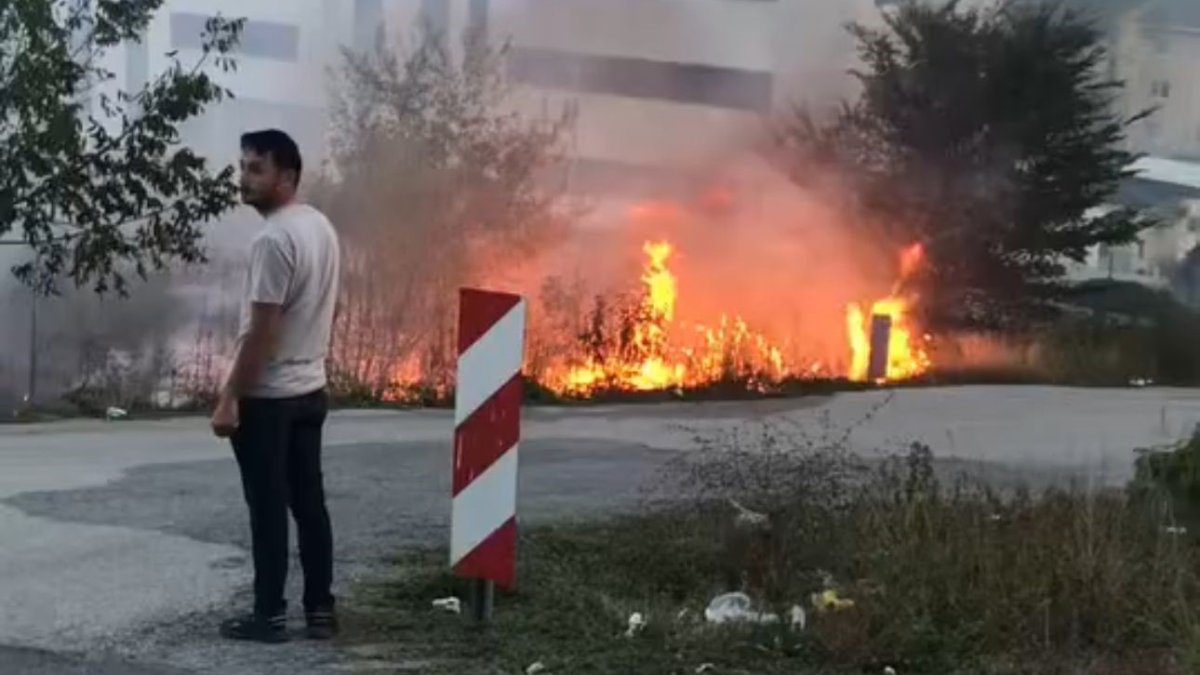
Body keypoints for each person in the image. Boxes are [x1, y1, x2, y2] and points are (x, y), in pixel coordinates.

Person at [211, 129, 341, 643]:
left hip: (270, 400)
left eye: (256, 169)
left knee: (267, 509)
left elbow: (261, 330)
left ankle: (268, 616)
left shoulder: (272, 240)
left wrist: (229, 397)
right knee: (310, 504)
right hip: (311, 390)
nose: (244, 178)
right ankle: (321, 611)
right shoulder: (320, 227)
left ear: (287, 177)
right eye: (242, 166)